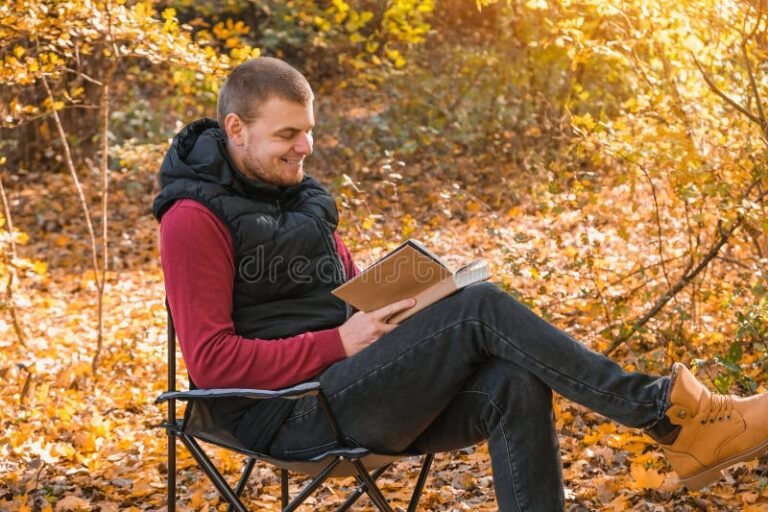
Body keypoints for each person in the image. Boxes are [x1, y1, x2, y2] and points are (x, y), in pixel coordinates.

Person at [153, 57, 768, 510]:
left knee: (512, 381)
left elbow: (344, 296)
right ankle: (668, 415)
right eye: (287, 135)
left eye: (308, 130)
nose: (305, 147)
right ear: (236, 129)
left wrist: (411, 301)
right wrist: (338, 343)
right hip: (283, 414)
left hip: (344, 387)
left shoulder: (304, 200)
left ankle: (678, 423)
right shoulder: (192, 220)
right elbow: (211, 364)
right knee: (480, 310)